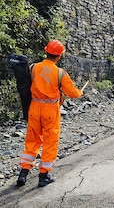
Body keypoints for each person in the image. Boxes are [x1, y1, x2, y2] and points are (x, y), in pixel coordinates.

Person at [17, 40, 83, 187]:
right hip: (50, 111)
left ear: (46, 52)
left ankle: (23, 174)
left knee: (32, 140)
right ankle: (43, 176)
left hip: (34, 108)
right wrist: (80, 92)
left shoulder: (34, 67)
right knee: (50, 142)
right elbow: (72, 93)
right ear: (59, 56)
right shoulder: (60, 73)